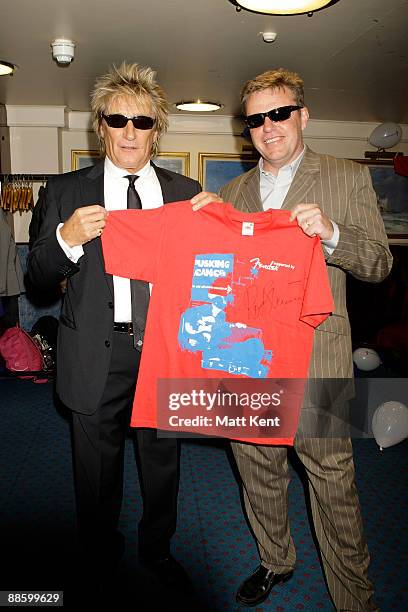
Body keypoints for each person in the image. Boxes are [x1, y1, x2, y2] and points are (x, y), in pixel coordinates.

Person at [197, 68, 392, 610]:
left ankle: (355, 599)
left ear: (303, 116)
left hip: (319, 357)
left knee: (333, 483)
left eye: (279, 113)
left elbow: (378, 263)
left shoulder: (346, 177)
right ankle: (275, 560)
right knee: (256, 468)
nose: (269, 126)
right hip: (247, 358)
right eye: (256, 118)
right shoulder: (233, 192)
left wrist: (331, 234)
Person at [27, 61, 216, 593]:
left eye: (142, 121)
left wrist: (222, 225)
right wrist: (65, 239)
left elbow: (213, 272)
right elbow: (38, 279)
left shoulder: (186, 191)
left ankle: (157, 551)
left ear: (158, 129)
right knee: (95, 473)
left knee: (162, 467)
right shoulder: (64, 191)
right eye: (117, 120)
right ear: (99, 126)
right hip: (95, 355)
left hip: (164, 351)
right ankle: (98, 556)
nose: (129, 132)